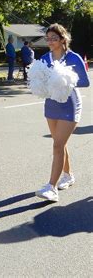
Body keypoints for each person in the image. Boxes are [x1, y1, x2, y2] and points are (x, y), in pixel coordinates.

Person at [35, 23, 90, 202]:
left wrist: (66, 80)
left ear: (62, 39)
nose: (50, 41)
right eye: (48, 38)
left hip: (70, 105)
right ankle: (68, 175)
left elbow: (85, 82)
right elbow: (40, 78)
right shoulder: (44, 58)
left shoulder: (73, 58)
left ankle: (51, 187)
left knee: (57, 145)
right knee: (61, 144)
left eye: (54, 38)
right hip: (51, 105)